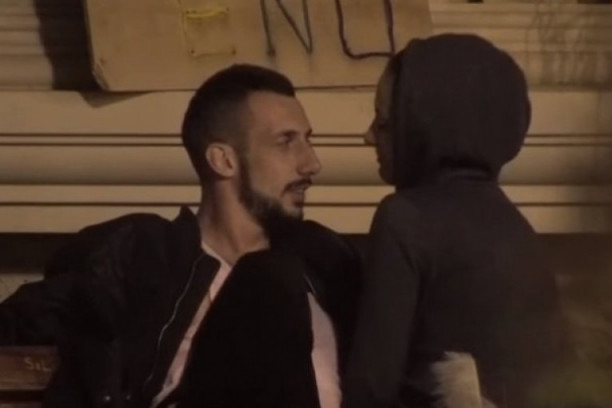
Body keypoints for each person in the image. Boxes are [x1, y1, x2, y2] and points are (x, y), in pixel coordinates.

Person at [0, 64, 360, 408]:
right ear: (223, 160)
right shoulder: (145, 257)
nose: (312, 163)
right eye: (286, 142)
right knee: (266, 281)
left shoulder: (325, 267)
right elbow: (24, 320)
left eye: (307, 140)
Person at [341, 34, 568, 408]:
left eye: (383, 122)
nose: (367, 136)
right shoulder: (518, 230)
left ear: (423, 127)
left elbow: (369, 390)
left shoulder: (406, 219)